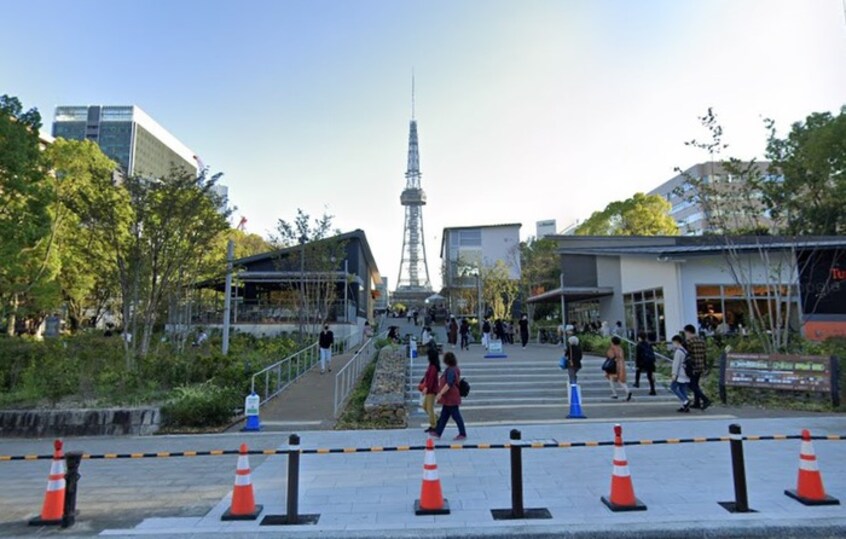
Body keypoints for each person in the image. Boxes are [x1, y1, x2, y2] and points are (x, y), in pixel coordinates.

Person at [432, 351, 467, 441]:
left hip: (451, 397)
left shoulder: (451, 370)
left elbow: (449, 383)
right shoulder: (453, 368)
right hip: (449, 398)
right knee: (444, 415)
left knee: (456, 416)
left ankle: (462, 433)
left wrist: (440, 394)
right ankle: (438, 432)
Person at [683, 324, 712, 410]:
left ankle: (705, 399)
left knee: (692, 385)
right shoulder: (701, 340)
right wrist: (705, 365)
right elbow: (704, 354)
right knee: (696, 384)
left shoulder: (689, 342)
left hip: (692, 366)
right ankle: (697, 403)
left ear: (688, 332)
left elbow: (685, 353)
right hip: (700, 365)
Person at [419, 347, 441, 433]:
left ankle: (433, 425)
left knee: (429, 408)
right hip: (430, 390)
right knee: (425, 407)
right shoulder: (432, 366)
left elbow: (431, 380)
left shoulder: (433, 367)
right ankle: (436, 418)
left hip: (431, 391)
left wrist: (426, 388)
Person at [605, 336, 631, 400]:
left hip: (614, 366)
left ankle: (615, 393)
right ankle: (627, 391)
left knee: (611, 379)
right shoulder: (620, 349)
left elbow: (610, 356)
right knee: (620, 380)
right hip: (621, 365)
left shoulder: (612, 348)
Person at [670, 335, 691, 412]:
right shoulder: (685, 350)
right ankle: (685, 405)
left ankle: (685, 401)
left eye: (673, 342)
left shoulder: (678, 352)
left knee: (673, 387)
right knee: (683, 389)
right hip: (685, 373)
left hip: (679, 374)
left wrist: (674, 374)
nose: (673, 344)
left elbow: (676, 364)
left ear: (676, 342)